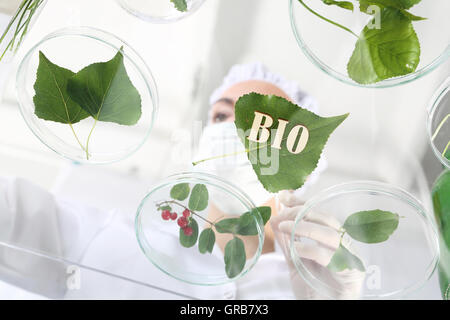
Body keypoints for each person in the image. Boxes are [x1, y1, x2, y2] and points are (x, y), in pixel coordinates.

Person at [0, 63, 363, 300]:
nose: (235, 127)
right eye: (223, 114)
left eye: (262, 119)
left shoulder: (317, 286)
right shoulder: (100, 238)